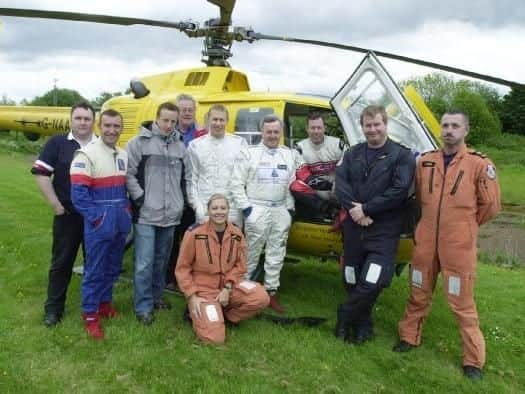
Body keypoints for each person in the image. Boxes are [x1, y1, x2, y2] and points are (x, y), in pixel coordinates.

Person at [393, 110, 501, 381]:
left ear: (466, 130)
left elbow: (490, 206)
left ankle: (473, 361)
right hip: (426, 239)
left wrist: (465, 226)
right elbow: (418, 198)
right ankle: (409, 337)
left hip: (458, 243)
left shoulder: (479, 164)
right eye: (445, 125)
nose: (449, 130)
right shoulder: (426, 161)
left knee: (461, 302)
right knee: (418, 290)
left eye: (455, 126)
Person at [334, 105, 416, 344]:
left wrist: (367, 209)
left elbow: (399, 190)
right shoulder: (353, 153)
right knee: (351, 278)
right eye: (368, 125)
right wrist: (355, 210)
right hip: (353, 228)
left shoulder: (402, 155)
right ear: (362, 127)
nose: (372, 130)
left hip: (383, 230)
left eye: (377, 124)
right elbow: (341, 184)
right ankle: (363, 325)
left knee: (372, 280)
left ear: (385, 124)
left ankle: (345, 314)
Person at [31, 101, 97, 327]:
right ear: (71, 119)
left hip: (94, 218)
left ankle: (93, 307)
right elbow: (40, 173)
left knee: (95, 263)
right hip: (67, 215)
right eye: (78, 118)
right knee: (62, 263)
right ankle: (53, 309)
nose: (82, 122)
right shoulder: (58, 143)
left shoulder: (101, 145)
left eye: (87, 119)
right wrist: (56, 205)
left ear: (93, 121)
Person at [230, 114, 302, 313]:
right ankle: (243, 292)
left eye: (276, 132)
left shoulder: (289, 155)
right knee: (250, 252)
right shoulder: (249, 153)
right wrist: (248, 210)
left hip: (280, 209)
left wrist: (289, 209)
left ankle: (271, 292)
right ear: (262, 132)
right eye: (268, 132)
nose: (272, 135)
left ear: (281, 132)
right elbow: (236, 184)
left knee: (276, 253)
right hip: (257, 208)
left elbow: (293, 184)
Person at [126, 102, 190, 325]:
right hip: (146, 214)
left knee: (162, 261)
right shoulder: (138, 143)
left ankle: (156, 296)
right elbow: (128, 174)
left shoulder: (180, 147)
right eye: (165, 120)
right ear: (156, 118)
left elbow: (186, 178)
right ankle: (142, 305)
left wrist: (182, 201)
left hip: (171, 214)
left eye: (173, 121)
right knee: (144, 261)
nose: (169, 125)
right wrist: (140, 198)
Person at [175, 194, 269, 344]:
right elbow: (182, 269)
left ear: (228, 210)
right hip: (204, 290)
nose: (219, 212)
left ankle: (226, 316)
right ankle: (196, 312)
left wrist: (227, 287)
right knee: (215, 339)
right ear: (208, 211)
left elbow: (240, 265)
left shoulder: (237, 234)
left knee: (261, 297)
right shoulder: (194, 234)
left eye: (223, 208)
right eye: (215, 208)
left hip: (229, 286)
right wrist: (192, 296)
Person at [70, 109, 130, 339]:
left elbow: (124, 189)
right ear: (99, 126)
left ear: (121, 128)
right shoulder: (85, 154)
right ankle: (90, 315)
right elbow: (79, 196)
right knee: (95, 270)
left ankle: (105, 304)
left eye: (116, 126)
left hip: (119, 220)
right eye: (108, 125)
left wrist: (125, 211)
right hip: (99, 223)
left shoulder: (123, 154)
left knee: (112, 268)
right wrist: (97, 218)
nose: (112, 130)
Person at [165, 94, 207, 292]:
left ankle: (192, 276)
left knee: (192, 238)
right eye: (183, 110)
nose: (187, 113)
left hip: (192, 194)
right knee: (172, 239)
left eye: (191, 109)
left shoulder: (201, 135)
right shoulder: (168, 134)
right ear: (177, 112)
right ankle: (170, 277)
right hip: (172, 193)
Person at [187, 104, 248, 226]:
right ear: (209, 120)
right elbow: (191, 179)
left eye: (221, 120)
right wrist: (196, 206)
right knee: (205, 244)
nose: (218, 123)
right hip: (205, 207)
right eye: (215, 119)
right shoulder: (195, 145)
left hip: (232, 209)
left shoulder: (239, 143)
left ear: (227, 121)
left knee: (231, 244)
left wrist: (241, 205)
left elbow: (243, 178)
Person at [291, 112, 344, 220]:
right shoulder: (299, 148)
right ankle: (329, 210)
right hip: (316, 191)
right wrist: (329, 185)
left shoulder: (338, 144)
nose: (316, 131)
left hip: (339, 189)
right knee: (295, 185)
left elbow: (347, 170)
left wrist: (338, 185)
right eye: (313, 128)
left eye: (319, 128)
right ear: (307, 128)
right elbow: (304, 176)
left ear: (324, 128)